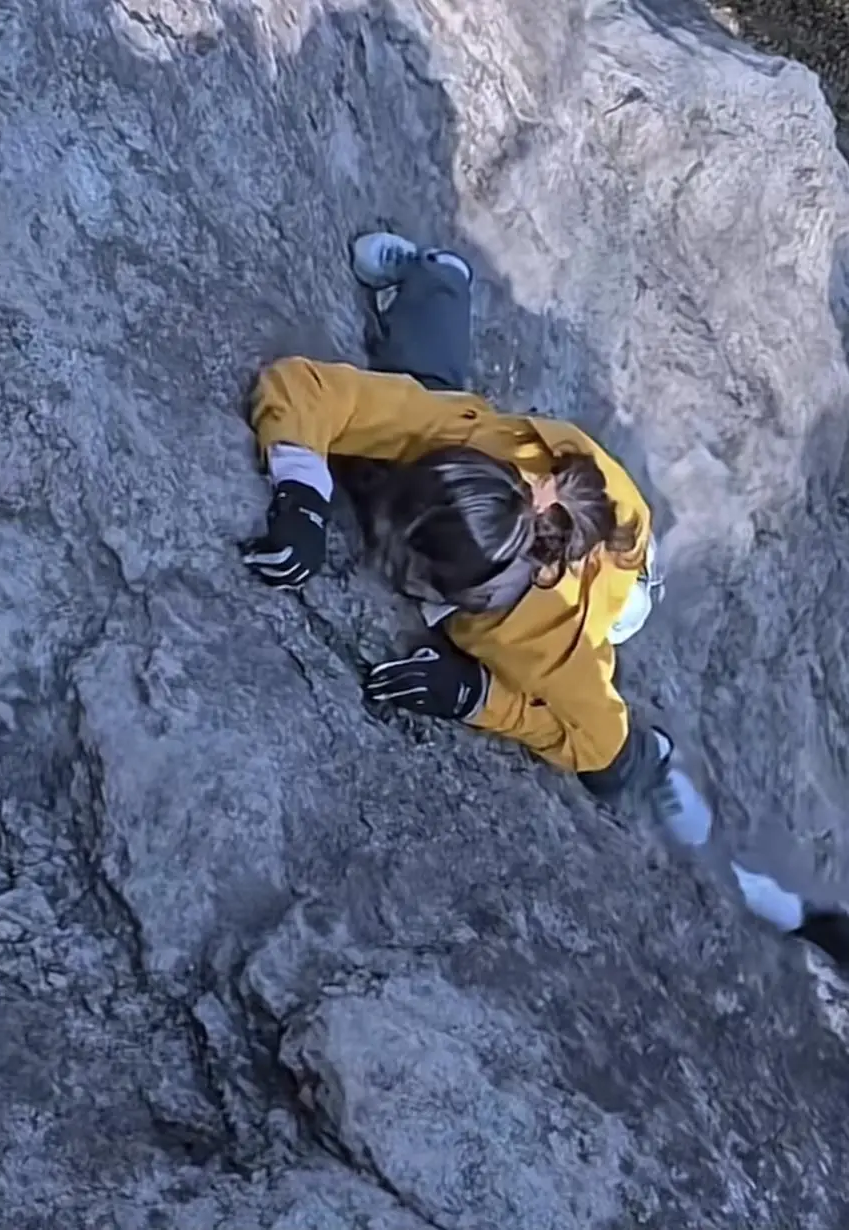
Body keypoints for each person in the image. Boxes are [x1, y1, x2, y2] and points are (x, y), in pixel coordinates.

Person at [241, 231, 849, 972]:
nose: (392, 574)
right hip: (549, 484)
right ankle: (441, 278)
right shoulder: (454, 441)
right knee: (412, 399)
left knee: (619, 769)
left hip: (619, 583)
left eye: (417, 575)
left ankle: (661, 759)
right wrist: (302, 496)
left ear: (478, 594)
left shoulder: (545, 638)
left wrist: (479, 697)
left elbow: (597, 749)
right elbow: (301, 388)